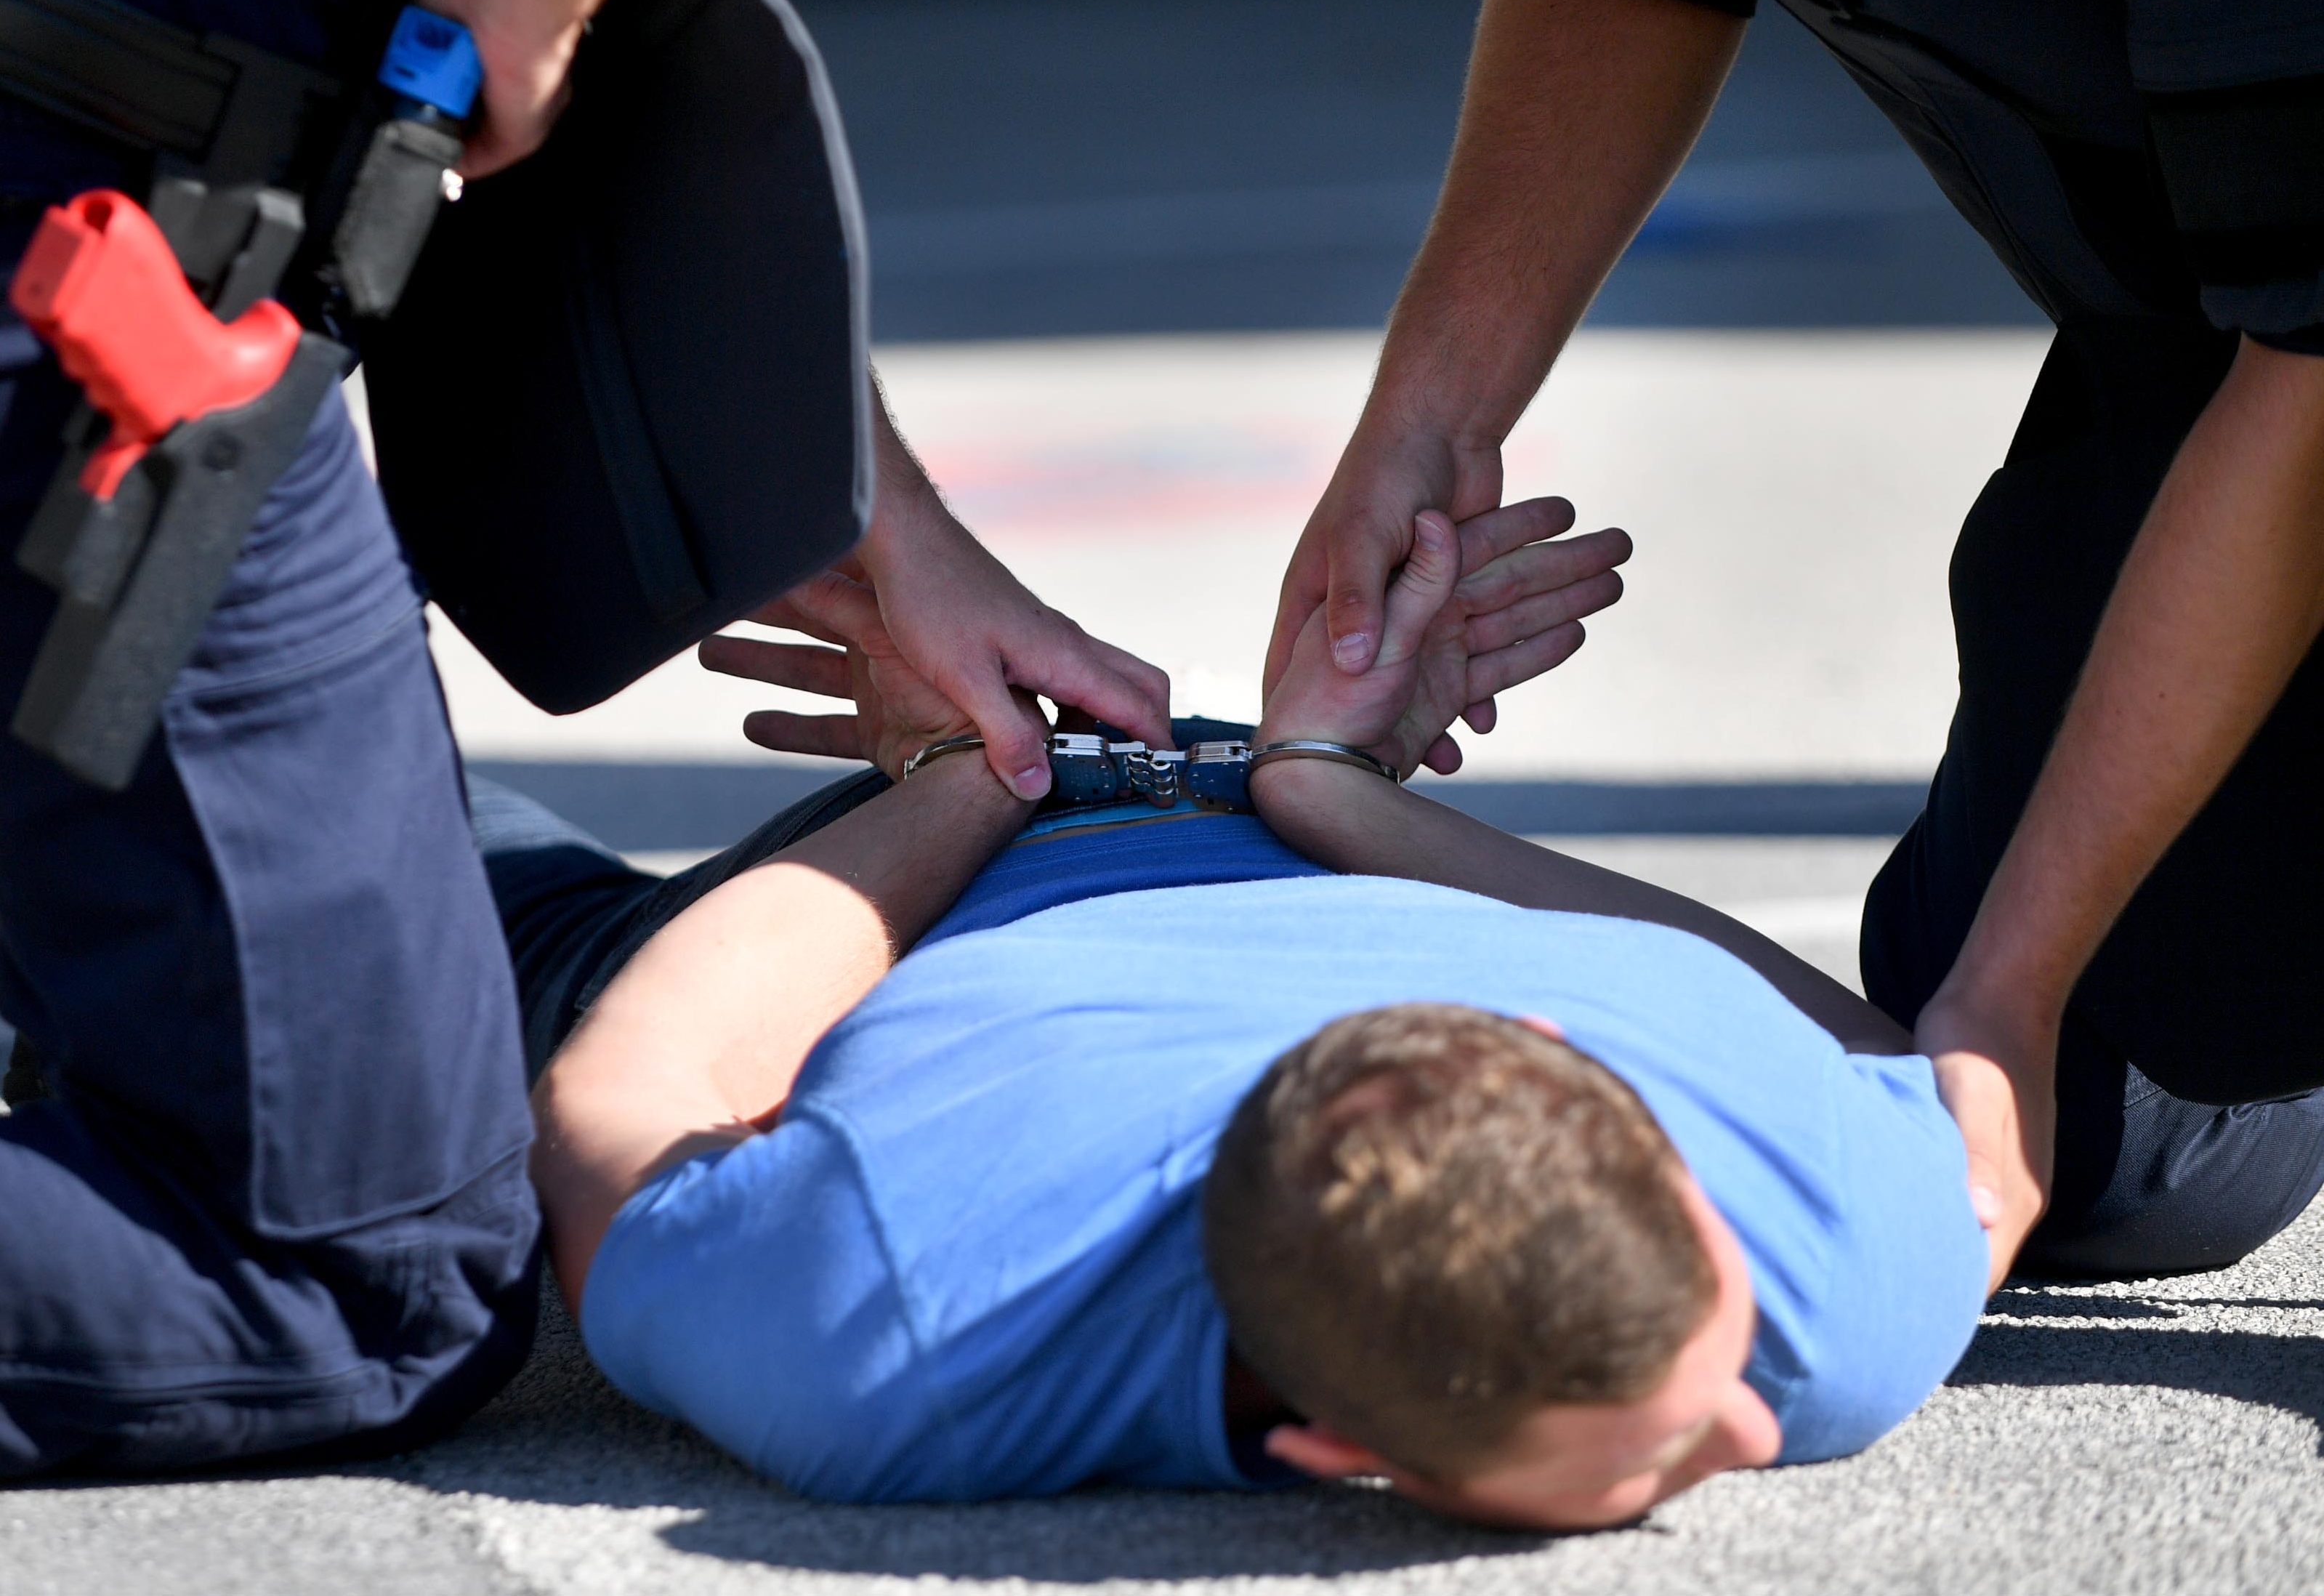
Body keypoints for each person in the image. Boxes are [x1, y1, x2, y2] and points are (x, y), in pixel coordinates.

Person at [0, 0, 1162, 1475]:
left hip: (109, 61)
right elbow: (620, 1129)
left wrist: (869, 503)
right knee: (350, 1263)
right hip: (102, 109)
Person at [493, 499, 1988, 1530]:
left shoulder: (1824, 1237)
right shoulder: (891, 1319)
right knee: (418, 911)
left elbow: (1840, 1044)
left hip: (1019, 855)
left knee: (420, 892)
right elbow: (624, 1091)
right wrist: (973, 777)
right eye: (1659, 1450)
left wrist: (1023, 760)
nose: (1749, 1428)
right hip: (932, 892)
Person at [1267, 0, 2324, 1289]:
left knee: (2017, 1020)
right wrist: (1421, 437)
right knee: (2088, 1151)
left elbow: (2315, 371)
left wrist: (2010, 982)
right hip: (2210, 339)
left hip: (2299, 347)